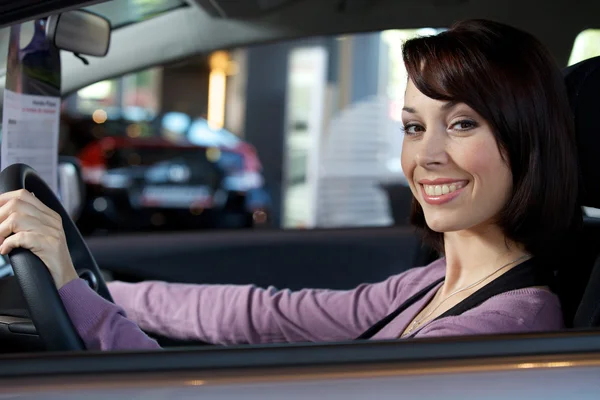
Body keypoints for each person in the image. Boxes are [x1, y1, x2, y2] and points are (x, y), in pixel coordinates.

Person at [0, 19, 581, 351]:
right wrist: (101, 289)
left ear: (525, 137)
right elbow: (267, 314)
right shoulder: (436, 283)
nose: (426, 155)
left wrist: (76, 294)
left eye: (461, 123)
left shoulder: (497, 331)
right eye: (413, 126)